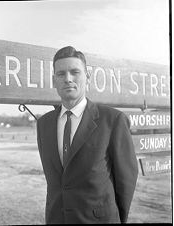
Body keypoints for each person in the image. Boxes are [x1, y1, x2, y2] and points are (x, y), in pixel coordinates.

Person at [36, 46, 138, 224]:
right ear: (54, 80)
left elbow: (126, 179)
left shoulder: (112, 120)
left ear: (87, 77)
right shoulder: (43, 124)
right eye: (61, 74)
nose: (68, 79)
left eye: (75, 72)